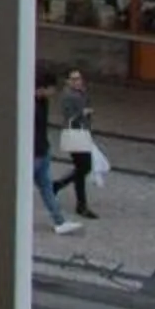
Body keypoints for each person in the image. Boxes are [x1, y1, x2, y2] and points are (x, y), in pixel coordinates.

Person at [33, 68, 84, 235]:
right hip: (33, 155)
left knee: (47, 187)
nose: (54, 92)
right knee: (24, 188)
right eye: (51, 89)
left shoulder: (41, 102)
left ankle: (59, 221)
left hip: (42, 152)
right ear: (43, 88)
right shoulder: (30, 104)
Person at [59, 67, 98, 219]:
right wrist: (83, 113)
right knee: (84, 167)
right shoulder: (68, 96)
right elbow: (69, 115)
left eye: (79, 78)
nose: (77, 82)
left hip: (82, 134)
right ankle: (80, 203)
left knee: (82, 168)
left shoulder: (82, 93)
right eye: (73, 79)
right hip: (75, 135)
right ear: (68, 81)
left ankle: (61, 187)